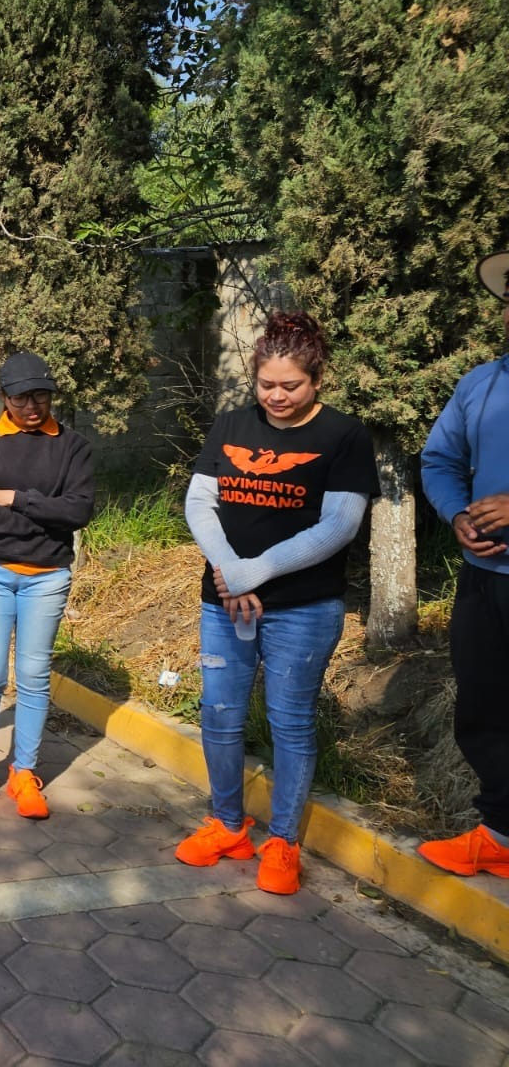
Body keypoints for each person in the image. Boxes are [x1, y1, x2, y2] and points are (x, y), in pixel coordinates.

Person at [177, 311, 378, 895]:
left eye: (291, 385)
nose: (277, 396)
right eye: (267, 384)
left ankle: (284, 840)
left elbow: (338, 526)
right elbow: (199, 503)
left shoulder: (342, 435)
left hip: (302, 607)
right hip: (223, 601)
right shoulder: (232, 424)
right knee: (219, 714)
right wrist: (227, 573)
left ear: (317, 379)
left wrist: (251, 573)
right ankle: (227, 824)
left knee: (291, 722)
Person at [0, 352, 95, 820]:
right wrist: (41, 515)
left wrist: (15, 499)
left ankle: (24, 774)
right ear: (3, 398)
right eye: (20, 397)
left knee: (33, 680)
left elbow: (78, 510)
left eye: (40, 395)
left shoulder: (72, 446)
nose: (32, 406)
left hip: (47, 578)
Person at [416, 253, 509, 877]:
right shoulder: (482, 383)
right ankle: (500, 834)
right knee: (486, 706)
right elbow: (439, 461)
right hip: (485, 581)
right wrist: (457, 515)